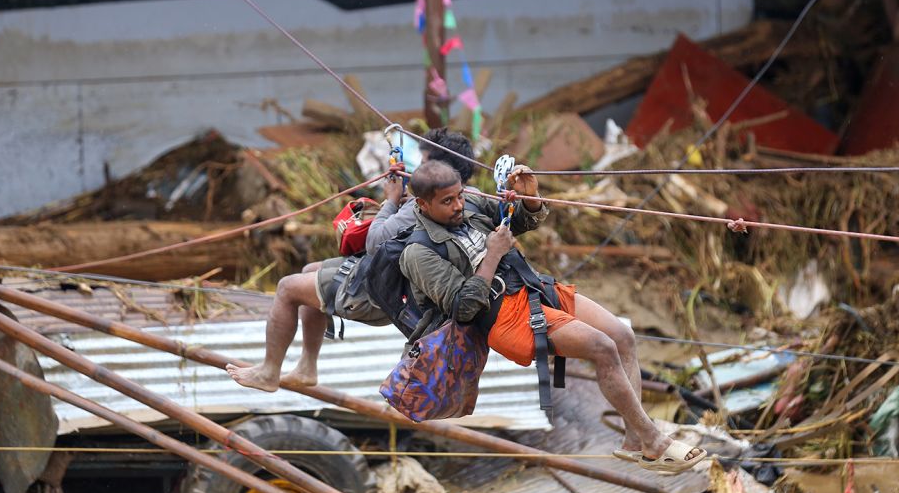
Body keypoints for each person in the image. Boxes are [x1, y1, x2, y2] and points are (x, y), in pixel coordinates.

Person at [398, 159, 706, 472]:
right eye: (447, 201)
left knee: (622, 336)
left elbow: (520, 222)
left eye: (460, 196)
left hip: (533, 287)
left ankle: (633, 442)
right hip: (503, 316)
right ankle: (654, 440)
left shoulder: (471, 205)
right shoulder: (418, 252)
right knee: (602, 347)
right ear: (422, 204)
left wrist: (529, 198)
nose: (458, 205)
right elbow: (463, 309)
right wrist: (493, 254)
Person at [225, 129, 477, 392]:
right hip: (395, 281)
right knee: (310, 270)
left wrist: (391, 202)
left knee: (287, 288)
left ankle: (269, 372)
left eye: (425, 164)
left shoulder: (424, 206)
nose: (419, 170)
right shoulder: (467, 198)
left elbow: (374, 242)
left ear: (441, 171)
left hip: (384, 293)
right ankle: (306, 367)